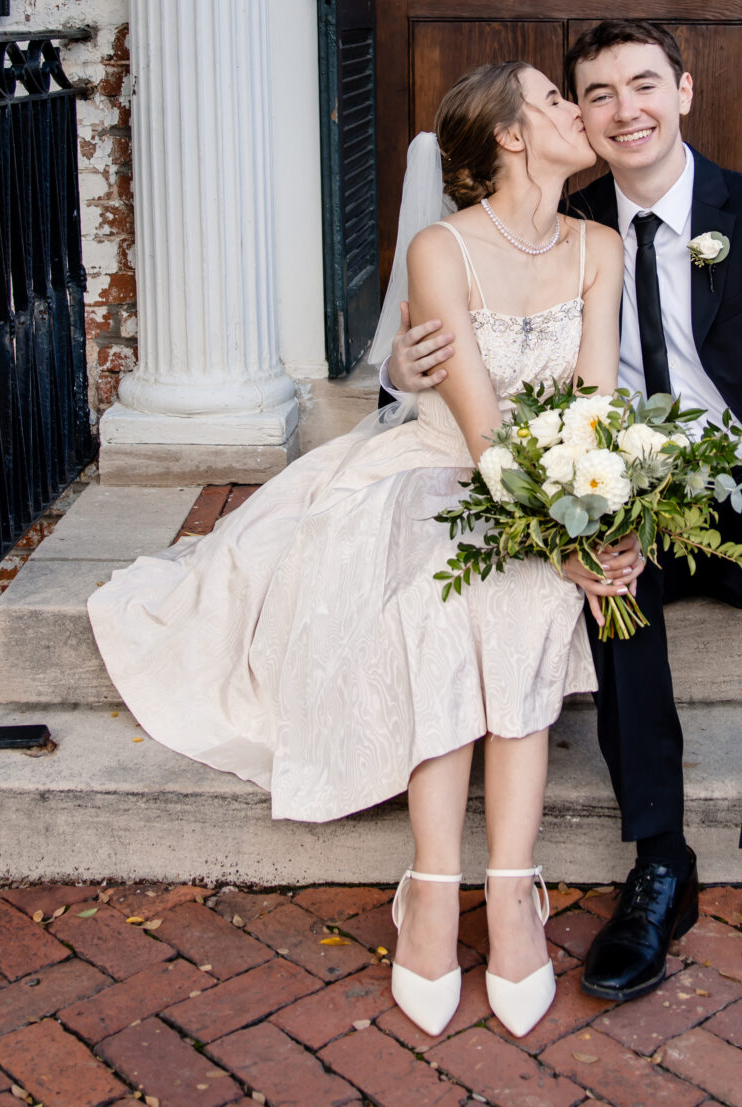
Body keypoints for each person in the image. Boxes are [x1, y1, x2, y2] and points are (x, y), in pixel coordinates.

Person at [90, 62, 627, 1041]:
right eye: (554, 98)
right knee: (439, 596)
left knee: (528, 596)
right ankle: (430, 884)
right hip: (441, 465)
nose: (576, 110)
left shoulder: (598, 248)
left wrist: (595, 517)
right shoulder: (441, 248)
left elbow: (590, 405)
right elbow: (475, 431)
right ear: (509, 135)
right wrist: (556, 523)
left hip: (546, 477)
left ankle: (511, 891)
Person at [385, 18, 742, 1015]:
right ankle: (660, 862)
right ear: (576, 116)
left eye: (643, 85)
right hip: (620, 482)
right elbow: (488, 356)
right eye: (597, 94)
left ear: (685, 92)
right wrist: (403, 373)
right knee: (616, 587)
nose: (623, 110)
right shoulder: (564, 222)